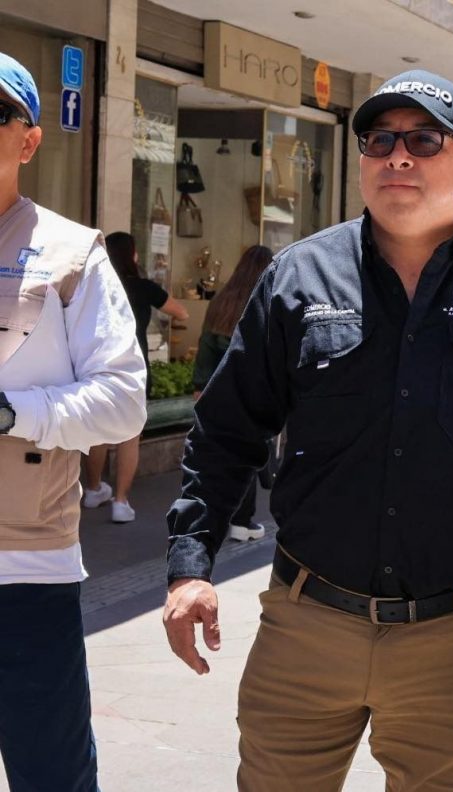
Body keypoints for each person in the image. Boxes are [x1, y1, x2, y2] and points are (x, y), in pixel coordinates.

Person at [162, 69, 453, 791]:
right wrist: (191, 565)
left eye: (425, 140)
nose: (398, 156)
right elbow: (227, 430)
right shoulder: (300, 276)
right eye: (379, 141)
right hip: (307, 623)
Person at [0, 53, 146, 791]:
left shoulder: (71, 253)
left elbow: (123, 400)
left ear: (29, 141)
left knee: (50, 776)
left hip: (24, 569)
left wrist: (12, 413)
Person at [83, 231, 188, 522]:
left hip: (97, 363)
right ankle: (120, 502)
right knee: (130, 435)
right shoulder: (142, 287)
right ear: (132, 255)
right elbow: (182, 313)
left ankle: (93, 490)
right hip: (133, 367)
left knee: (98, 431)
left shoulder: (96, 284)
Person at [191, 243, 272, 541]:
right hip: (254, 393)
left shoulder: (221, 302)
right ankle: (241, 521)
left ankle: (216, 518)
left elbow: (205, 348)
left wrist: (200, 388)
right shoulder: (267, 299)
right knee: (247, 455)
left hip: (218, 391)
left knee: (220, 457)